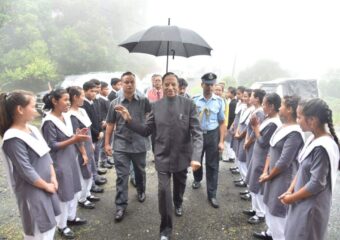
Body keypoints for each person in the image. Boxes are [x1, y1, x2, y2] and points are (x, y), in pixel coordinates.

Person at [114, 72, 203, 240]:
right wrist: (128, 119)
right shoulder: (156, 106)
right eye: (166, 84)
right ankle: (165, 230)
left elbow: (197, 133)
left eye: (173, 84)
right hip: (162, 156)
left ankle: (178, 202)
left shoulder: (189, 104)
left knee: (179, 186)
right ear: (161, 86)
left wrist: (196, 156)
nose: (170, 87)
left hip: (182, 156)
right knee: (163, 191)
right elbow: (146, 130)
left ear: (178, 86)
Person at [0, 90, 61, 240]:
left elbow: (46, 154)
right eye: (33, 106)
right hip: (34, 190)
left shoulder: (32, 129)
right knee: (40, 230)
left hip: (46, 185)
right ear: (20, 110)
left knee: (50, 226)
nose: (36, 109)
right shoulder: (13, 138)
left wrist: (53, 177)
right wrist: (46, 186)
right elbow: (25, 170)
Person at [280, 98, 339, 240]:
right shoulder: (313, 139)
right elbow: (301, 168)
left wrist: (291, 198)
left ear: (312, 120)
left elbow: (317, 183)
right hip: (301, 199)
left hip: (311, 206)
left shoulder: (322, 147)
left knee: (304, 234)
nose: (297, 120)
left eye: (299, 117)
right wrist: (290, 190)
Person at [254, 96, 304, 240]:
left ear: (289, 110)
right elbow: (271, 149)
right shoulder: (283, 127)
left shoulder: (294, 133)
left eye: (282, 105)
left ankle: (278, 236)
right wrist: (265, 171)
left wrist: (268, 175)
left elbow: (284, 162)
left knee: (278, 212)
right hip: (272, 174)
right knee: (269, 205)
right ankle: (271, 233)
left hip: (282, 178)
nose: (279, 108)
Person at [104, 72, 151, 222]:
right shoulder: (115, 103)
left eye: (132, 82)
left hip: (139, 143)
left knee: (140, 171)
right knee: (122, 176)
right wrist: (106, 143)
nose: (129, 85)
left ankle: (141, 190)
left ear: (135, 83)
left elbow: (150, 121)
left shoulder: (144, 101)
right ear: (122, 84)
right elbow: (110, 124)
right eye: (126, 82)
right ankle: (120, 206)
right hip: (121, 144)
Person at [41, 89, 88, 239]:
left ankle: (71, 217)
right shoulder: (49, 122)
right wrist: (73, 140)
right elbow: (52, 145)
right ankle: (62, 225)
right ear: (55, 101)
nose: (68, 103)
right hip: (59, 162)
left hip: (70, 158)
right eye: (65, 100)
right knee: (64, 194)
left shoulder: (65, 117)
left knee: (74, 189)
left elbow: (72, 137)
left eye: (69, 100)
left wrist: (78, 141)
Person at [243, 93, 281, 224]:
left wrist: (255, 127)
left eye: (265, 104)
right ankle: (255, 209)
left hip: (262, 157)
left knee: (258, 185)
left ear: (271, 106)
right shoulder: (268, 118)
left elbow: (263, 141)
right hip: (258, 155)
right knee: (254, 183)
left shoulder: (274, 123)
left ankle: (260, 213)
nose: (263, 107)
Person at [192, 72, 226, 208]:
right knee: (197, 160)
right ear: (202, 85)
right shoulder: (194, 100)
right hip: (198, 135)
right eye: (207, 84)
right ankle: (197, 179)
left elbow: (222, 122)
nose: (210, 87)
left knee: (213, 165)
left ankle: (212, 194)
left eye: (212, 85)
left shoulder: (219, 101)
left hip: (213, 134)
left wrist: (221, 141)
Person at [67, 86, 100, 210]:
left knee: (90, 168)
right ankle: (82, 198)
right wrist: (83, 152)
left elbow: (88, 129)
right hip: (81, 147)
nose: (83, 98)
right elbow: (77, 136)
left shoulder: (82, 111)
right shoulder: (71, 115)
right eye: (81, 95)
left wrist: (91, 143)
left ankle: (87, 193)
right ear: (75, 97)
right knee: (83, 172)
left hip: (88, 144)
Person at [82, 81, 107, 192]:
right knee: (91, 160)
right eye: (91, 91)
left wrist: (101, 129)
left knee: (95, 158)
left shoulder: (93, 102)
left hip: (97, 134)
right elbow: (88, 124)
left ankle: (95, 176)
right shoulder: (84, 105)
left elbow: (97, 118)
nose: (94, 93)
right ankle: (91, 184)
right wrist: (97, 133)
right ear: (85, 91)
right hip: (91, 136)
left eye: (95, 91)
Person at [234, 88, 254, 187]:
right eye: (244, 96)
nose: (244, 98)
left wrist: (240, 135)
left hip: (244, 137)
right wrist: (237, 132)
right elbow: (240, 123)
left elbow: (248, 128)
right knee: (239, 156)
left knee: (244, 159)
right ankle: (243, 178)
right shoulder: (244, 107)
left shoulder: (253, 110)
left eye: (246, 96)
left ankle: (246, 181)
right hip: (240, 135)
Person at [97, 81, 114, 168]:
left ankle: (107, 158)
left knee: (109, 142)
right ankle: (103, 161)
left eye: (108, 89)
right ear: (101, 90)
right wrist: (104, 121)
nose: (108, 90)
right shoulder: (100, 100)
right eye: (106, 89)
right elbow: (101, 113)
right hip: (105, 124)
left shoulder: (106, 99)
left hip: (109, 123)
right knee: (104, 143)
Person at [229, 86, 246, 174]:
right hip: (235, 126)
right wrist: (232, 125)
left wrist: (237, 129)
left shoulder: (245, 106)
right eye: (237, 94)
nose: (238, 96)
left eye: (239, 94)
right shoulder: (239, 103)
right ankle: (237, 166)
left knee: (239, 149)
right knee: (235, 147)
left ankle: (240, 170)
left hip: (239, 129)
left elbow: (241, 119)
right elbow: (236, 117)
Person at [223, 86, 237, 162]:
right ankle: (231, 156)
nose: (227, 93)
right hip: (231, 126)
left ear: (232, 93)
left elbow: (231, 117)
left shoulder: (232, 103)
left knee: (227, 142)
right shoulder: (232, 102)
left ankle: (228, 157)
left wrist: (228, 127)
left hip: (230, 126)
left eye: (228, 92)